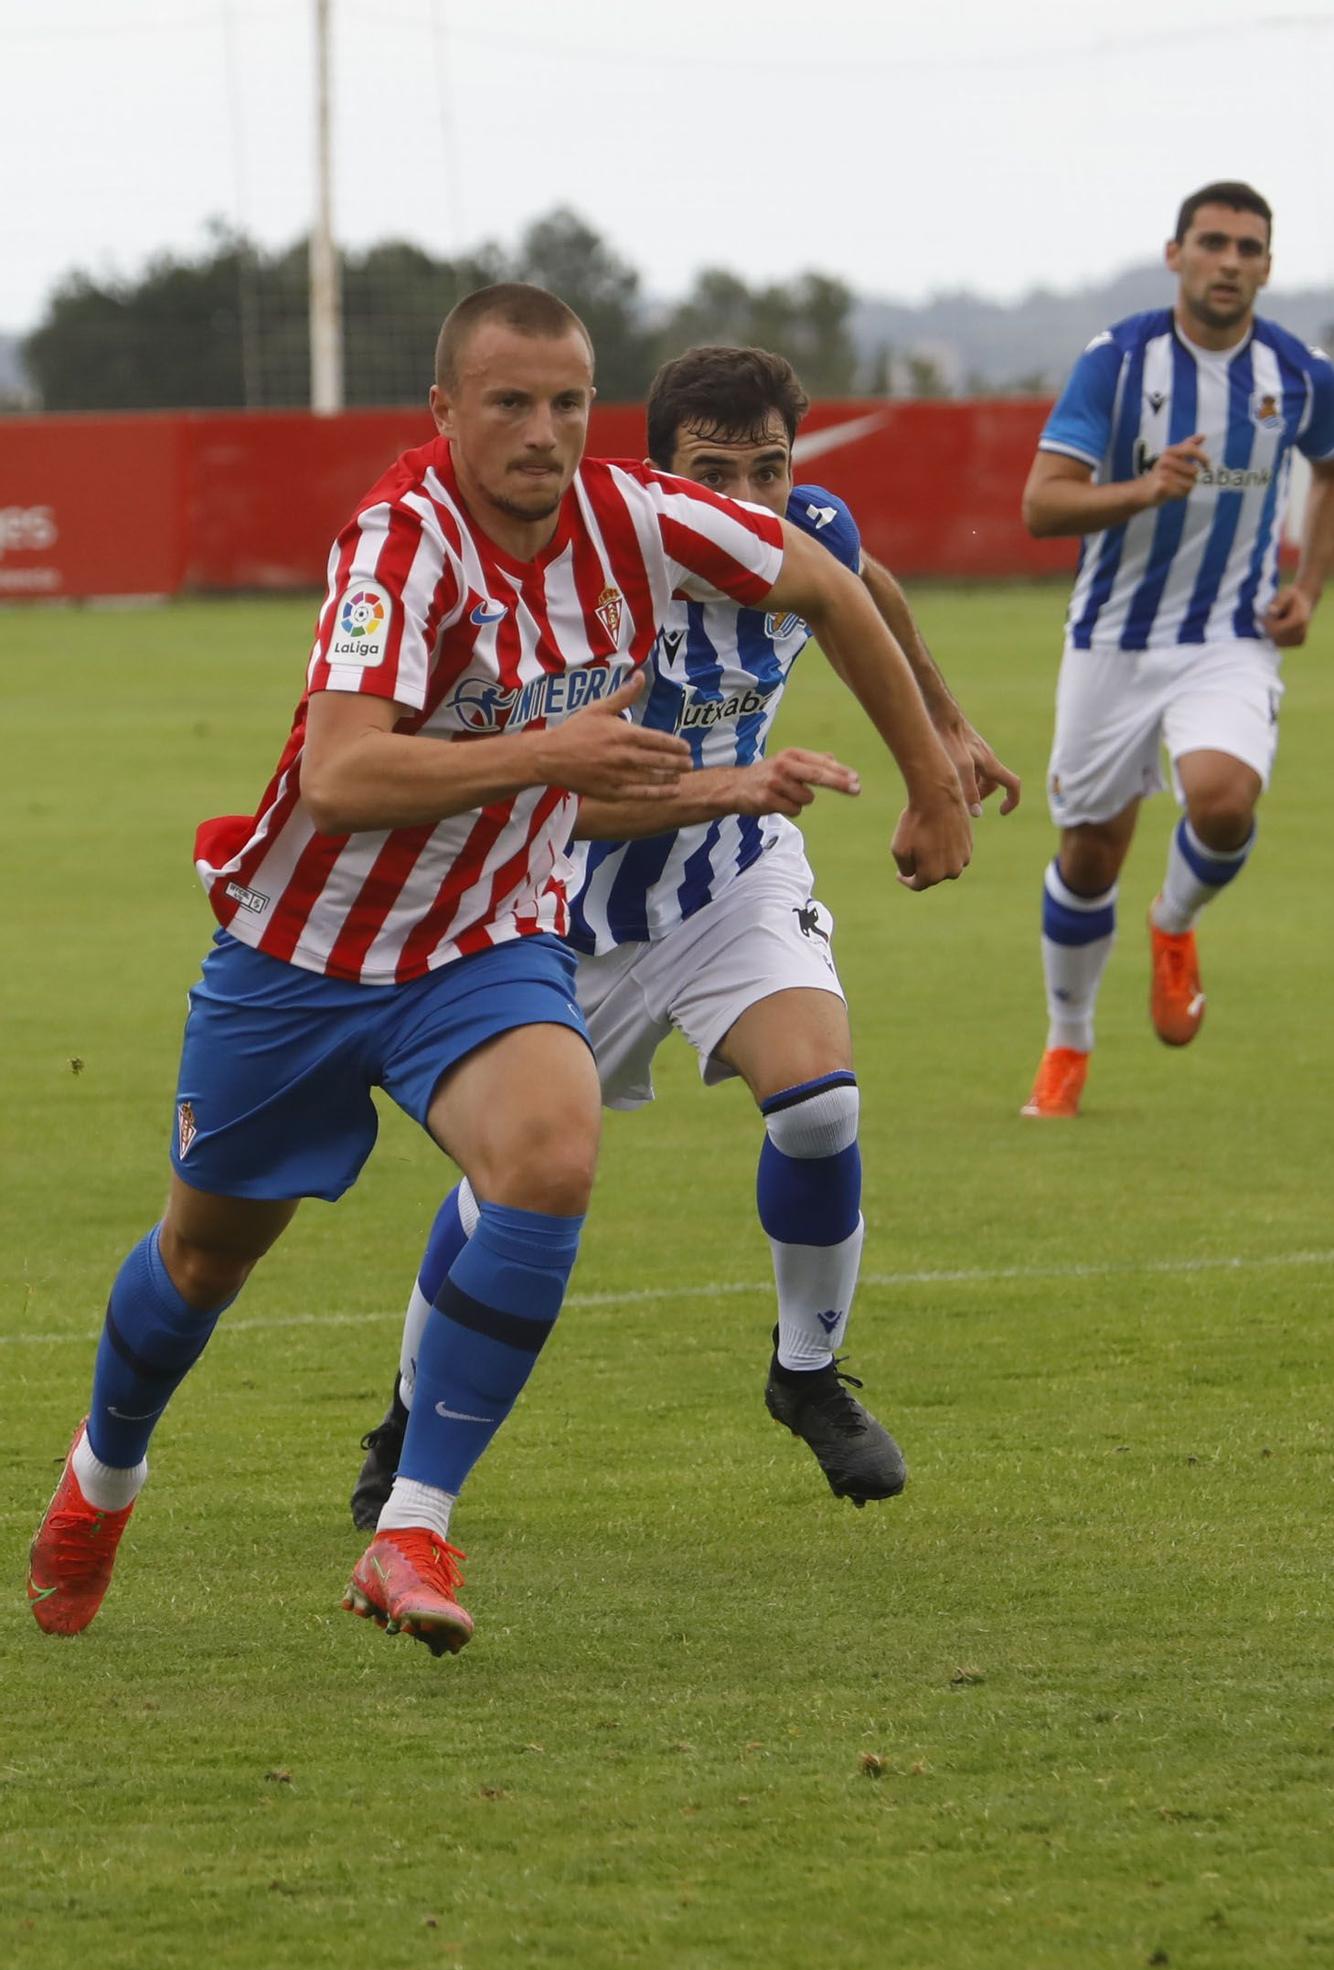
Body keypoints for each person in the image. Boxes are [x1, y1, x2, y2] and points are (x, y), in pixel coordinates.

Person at [29, 290, 974, 1659]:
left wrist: (932, 777)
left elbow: (828, 579)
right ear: (444, 412)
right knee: (201, 1260)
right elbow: (346, 775)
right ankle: (104, 1477)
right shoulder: (398, 551)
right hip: (303, 950)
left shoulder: (636, 518)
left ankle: (411, 1527)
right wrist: (546, 757)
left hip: (487, 937)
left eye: (567, 404)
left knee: (546, 1155)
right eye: (509, 404)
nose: (543, 434)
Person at [349, 343, 1018, 1535]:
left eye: (770, 469)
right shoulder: (589, 572)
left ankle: (805, 1374)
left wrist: (948, 723)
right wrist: (736, 782)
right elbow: (555, 797)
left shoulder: (803, 528)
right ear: (655, 474)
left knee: (819, 1105)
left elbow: (862, 585)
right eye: (717, 473)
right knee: (504, 1182)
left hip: (732, 883)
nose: (751, 503)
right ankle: (407, 1407)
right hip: (561, 909)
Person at [1020, 180, 1334, 1117]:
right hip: (1111, 640)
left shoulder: (1300, 373)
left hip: (1229, 639)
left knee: (1225, 802)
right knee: (1088, 859)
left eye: (1248, 248)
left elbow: (1328, 468)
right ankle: (1067, 1041)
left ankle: (1174, 923)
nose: (1229, 261)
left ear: (1268, 267)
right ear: (1176, 255)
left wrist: (1307, 588)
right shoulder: (1118, 363)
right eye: (1213, 243)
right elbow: (1041, 505)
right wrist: (1143, 491)